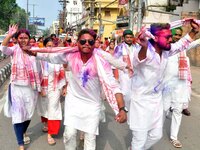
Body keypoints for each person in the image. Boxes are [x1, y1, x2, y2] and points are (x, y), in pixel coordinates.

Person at [25, 29, 127, 150]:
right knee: (69, 134)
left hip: (92, 104)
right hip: (73, 102)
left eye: (90, 41)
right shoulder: (71, 56)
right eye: (83, 41)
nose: (86, 44)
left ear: (94, 43)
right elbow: (51, 56)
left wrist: (121, 108)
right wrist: (34, 53)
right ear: (78, 43)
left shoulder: (101, 61)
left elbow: (113, 85)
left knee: (90, 137)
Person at [128, 20, 199, 150]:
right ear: (155, 38)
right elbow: (139, 59)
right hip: (141, 103)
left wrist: (194, 31)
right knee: (140, 139)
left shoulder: (166, 51)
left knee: (156, 136)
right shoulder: (144, 51)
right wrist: (143, 47)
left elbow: (181, 45)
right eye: (167, 37)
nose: (171, 39)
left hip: (156, 101)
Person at [0, 25, 41, 150]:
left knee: (28, 114)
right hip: (17, 87)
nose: (23, 40)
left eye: (25, 37)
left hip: (31, 88)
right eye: (20, 37)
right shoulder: (14, 50)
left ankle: (23, 131)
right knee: (18, 115)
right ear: (17, 39)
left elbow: (41, 67)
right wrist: (10, 34)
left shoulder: (34, 50)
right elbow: (3, 48)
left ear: (29, 39)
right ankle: (20, 144)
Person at [162, 27, 200, 148]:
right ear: (171, 35)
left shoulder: (183, 47)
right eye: (176, 35)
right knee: (163, 109)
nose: (178, 37)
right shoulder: (165, 49)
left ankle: (174, 137)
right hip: (166, 86)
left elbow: (194, 42)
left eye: (180, 35)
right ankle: (154, 131)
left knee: (178, 111)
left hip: (180, 85)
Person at [36, 37, 67, 145]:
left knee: (53, 109)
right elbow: (36, 73)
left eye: (52, 45)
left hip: (55, 88)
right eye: (48, 46)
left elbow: (62, 71)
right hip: (43, 88)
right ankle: (45, 124)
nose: (50, 48)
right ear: (44, 46)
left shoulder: (58, 57)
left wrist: (64, 87)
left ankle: (50, 133)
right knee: (44, 107)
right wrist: (39, 89)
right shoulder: (40, 58)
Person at [114, 29, 138, 109]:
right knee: (126, 93)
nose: (129, 39)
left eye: (131, 37)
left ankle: (131, 110)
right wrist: (116, 77)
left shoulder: (136, 47)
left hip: (135, 73)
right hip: (124, 74)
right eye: (127, 37)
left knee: (135, 93)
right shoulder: (119, 47)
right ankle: (125, 108)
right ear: (123, 38)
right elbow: (115, 62)